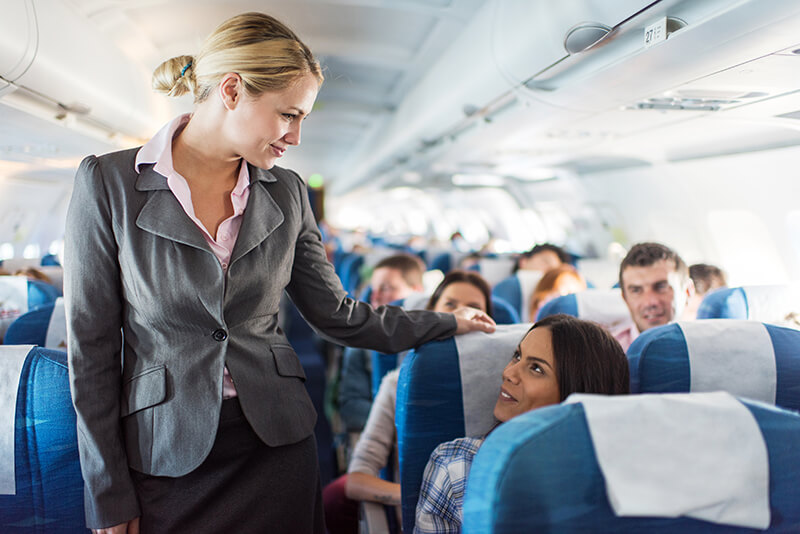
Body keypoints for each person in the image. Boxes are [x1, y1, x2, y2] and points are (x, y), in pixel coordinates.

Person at [63, 13, 494, 534]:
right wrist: (108, 493)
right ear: (231, 90)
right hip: (165, 450)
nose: (295, 135)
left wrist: (447, 323)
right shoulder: (110, 183)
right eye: (288, 114)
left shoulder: (286, 192)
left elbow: (338, 315)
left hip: (276, 444)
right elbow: (91, 350)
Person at [414, 314, 629, 534]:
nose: (508, 373)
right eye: (517, 356)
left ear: (576, 393)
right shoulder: (457, 465)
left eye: (536, 368)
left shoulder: (627, 482)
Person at [323, 271, 493, 534]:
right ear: (434, 314)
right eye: (450, 305)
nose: (463, 315)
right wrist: (428, 498)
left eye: (475, 309)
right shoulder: (399, 384)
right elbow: (356, 480)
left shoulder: (503, 386)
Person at [338, 253, 426, 433]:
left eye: (386, 289)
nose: (375, 297)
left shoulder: (437, 342)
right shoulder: (362, 344)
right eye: (373, 289)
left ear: (417, 291)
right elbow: (352, 407)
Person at [612, 242, 694, 351]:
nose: (649, 302)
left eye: (661, 287)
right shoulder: (609, 355)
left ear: (688, 292)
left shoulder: (710, 347)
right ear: (625, 298)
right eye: (636, 290)